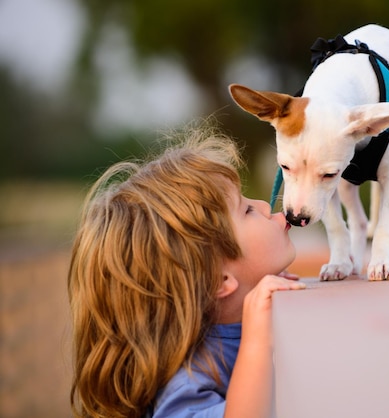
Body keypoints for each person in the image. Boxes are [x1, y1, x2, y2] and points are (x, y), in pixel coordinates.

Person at [68, 120, 305, 418]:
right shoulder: (187, 383)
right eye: (245, 210)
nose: (262, 204)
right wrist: (257, 345)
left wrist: (256, 289)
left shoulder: (231, 317)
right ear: (219, 280)